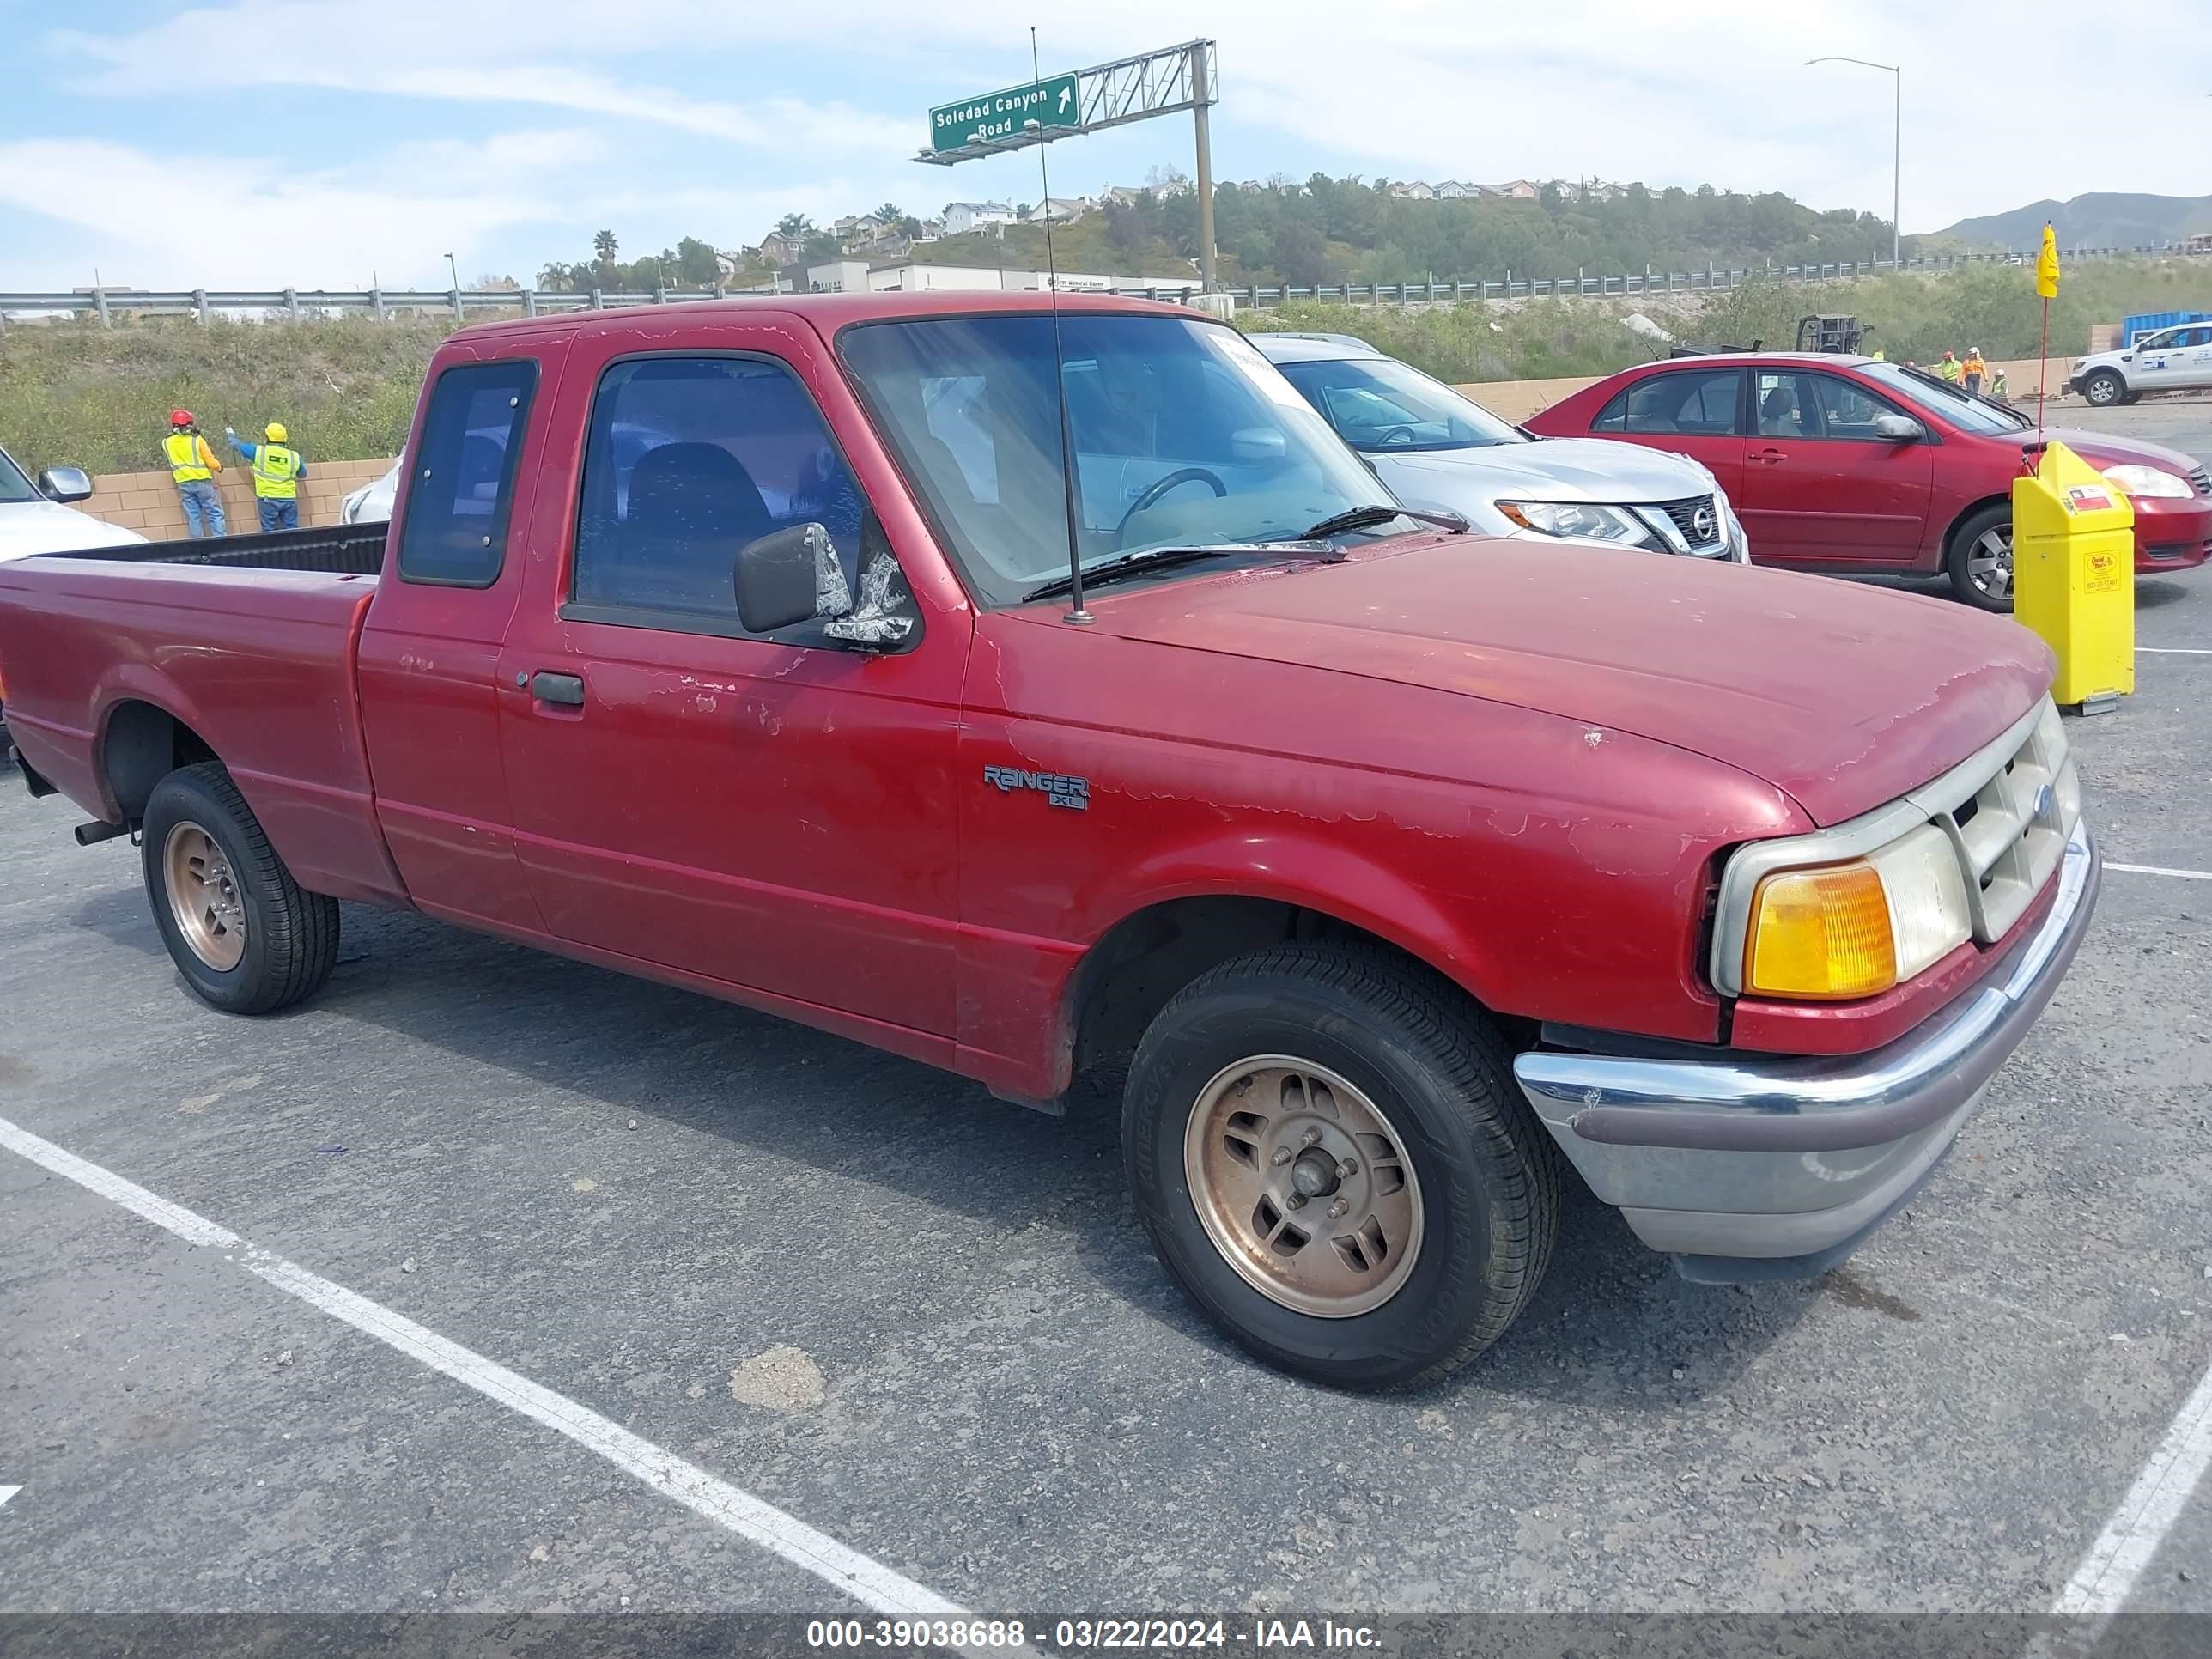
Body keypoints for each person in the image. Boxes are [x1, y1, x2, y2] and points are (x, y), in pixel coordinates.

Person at [227, 420, 307, 532]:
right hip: (289, 499)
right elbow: (303, 474)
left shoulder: (258, 452)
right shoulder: (294, 456)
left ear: (268, 436)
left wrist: (231, 434)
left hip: (268, 499)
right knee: (291, 531)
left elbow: (237, 445)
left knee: (269, 531)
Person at [164, 409, 226, 538]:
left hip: (183, 483)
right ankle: (221, 542)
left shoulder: (166, 442)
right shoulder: (197, 440)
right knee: (215, 513)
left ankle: (198, 545)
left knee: (193, 516)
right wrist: (219, 467)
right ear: (189, 424)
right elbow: (210, 460)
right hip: (202, 481)